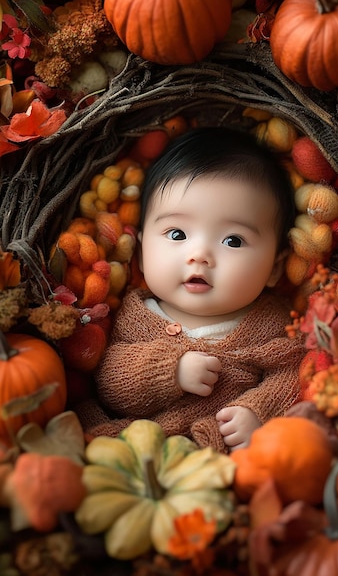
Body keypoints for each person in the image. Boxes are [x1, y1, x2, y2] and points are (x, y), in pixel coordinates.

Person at [77, 126, 306, 452]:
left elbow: (294, 373)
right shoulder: (137, 315)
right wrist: (170, 370)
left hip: (216, 459)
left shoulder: (272, 322)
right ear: (141, 254)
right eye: (177, 234)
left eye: (233, 240)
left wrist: (257, 412)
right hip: (134, 446)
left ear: (275, 268)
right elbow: (110, 381)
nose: (199, 255)